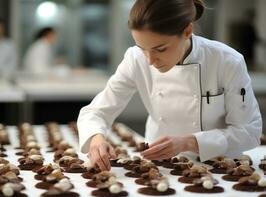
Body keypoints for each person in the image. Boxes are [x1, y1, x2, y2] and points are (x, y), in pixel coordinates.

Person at [77, 0, 262, 171]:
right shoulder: (135, 59)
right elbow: (95, 112)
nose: (150, 61)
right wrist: (96, 140)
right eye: (143, 48)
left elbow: (249, 131)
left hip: (221, 167)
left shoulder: (226, 61)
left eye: (160, 49)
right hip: (160, 169)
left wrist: (189, 142)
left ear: (187, 31)